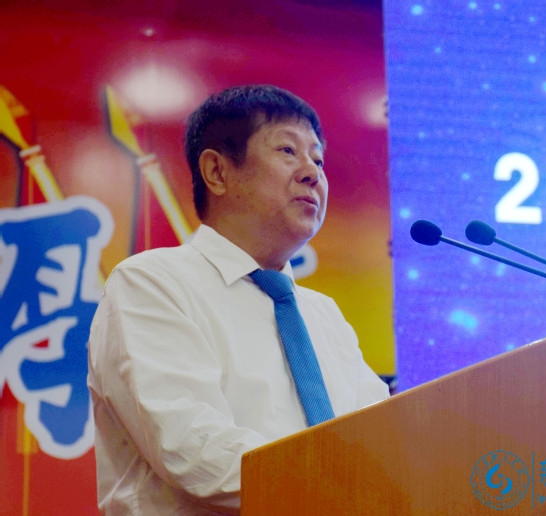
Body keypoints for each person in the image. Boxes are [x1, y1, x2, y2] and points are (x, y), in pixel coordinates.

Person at [87, 84, 390, 515]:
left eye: (318, 159)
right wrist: (340, 490)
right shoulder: (150, 284)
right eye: (288, 151)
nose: (312, 173)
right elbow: (192, 448)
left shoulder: (322, 314)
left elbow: (379, 437)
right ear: (217, 172)